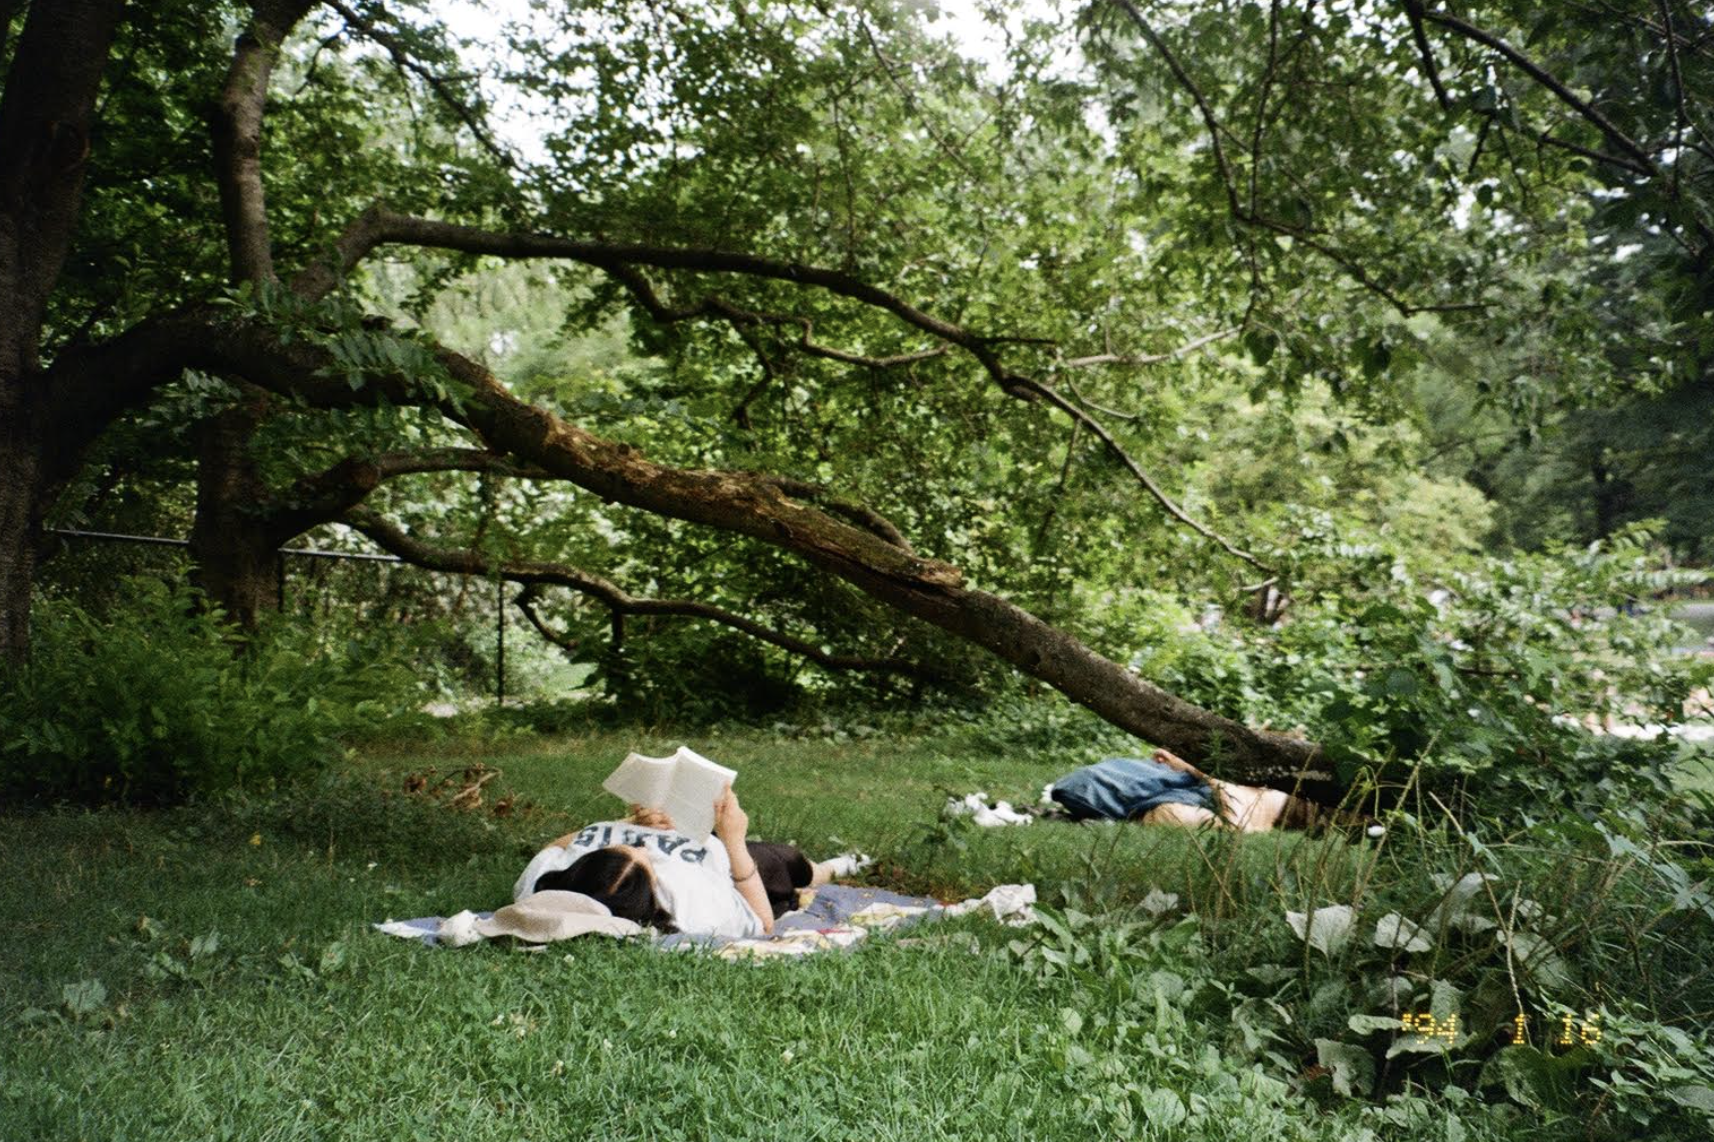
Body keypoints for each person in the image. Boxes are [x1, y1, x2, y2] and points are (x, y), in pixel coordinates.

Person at [513, 786, 824, 938]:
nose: (644, 847)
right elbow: (763, 922)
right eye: (647, 861)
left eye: (625, 847)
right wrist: (734, 842)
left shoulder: (540, 888)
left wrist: (631, 822)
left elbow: (554, 847)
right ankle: (832, 869)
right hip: (727, 863)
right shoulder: (690, 908)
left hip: (685, 832)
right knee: (791, 864)